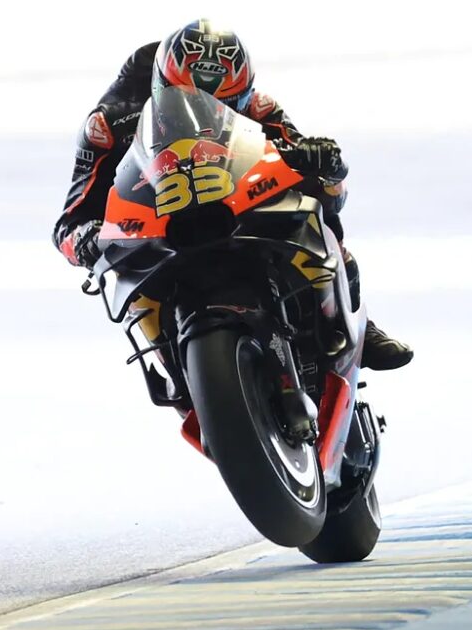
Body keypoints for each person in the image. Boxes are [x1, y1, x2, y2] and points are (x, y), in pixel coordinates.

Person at [52, 19, 412, 370]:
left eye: (223, 102)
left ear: (243, 94)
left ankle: (354, 324)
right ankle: (181, 369)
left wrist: (323, 162)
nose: (205, 112)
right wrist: (85, 238)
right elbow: (69, 222)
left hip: (238, 211)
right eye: (189, 99)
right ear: (162, 86)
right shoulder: (108, 125)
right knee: (125, 270)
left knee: (315, 207)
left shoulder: (259, 108)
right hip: (161, 229)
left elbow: (328, 186)